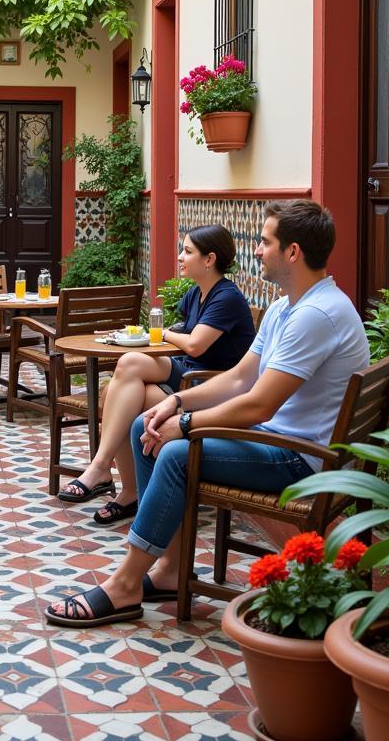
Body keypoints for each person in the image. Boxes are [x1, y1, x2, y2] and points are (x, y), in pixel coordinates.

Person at [45, 199, 370, 627]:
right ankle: (170, 570)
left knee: (176, 453)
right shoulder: (284, 306)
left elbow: (259, 403)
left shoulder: (315, 315)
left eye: (265, 241)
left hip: (301, 458)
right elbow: (238, 378)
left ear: (293, 252)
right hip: (276, 439)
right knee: (147, 422)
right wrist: (175, 403)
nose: (255, 250)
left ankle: (125, 583)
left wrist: (184, 426)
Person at [57, 224, 255, 527]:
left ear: (209, 259)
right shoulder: (195, 295)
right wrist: (127, 334)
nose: (180, 257)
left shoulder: (226, 297)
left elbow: (196, 344)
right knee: (124, 376)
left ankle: (116, 480)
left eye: (187, 251)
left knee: (123, 396)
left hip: (211, 387)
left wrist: (161, 332)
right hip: (189, 374)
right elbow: (176, 337)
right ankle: (117, 481)